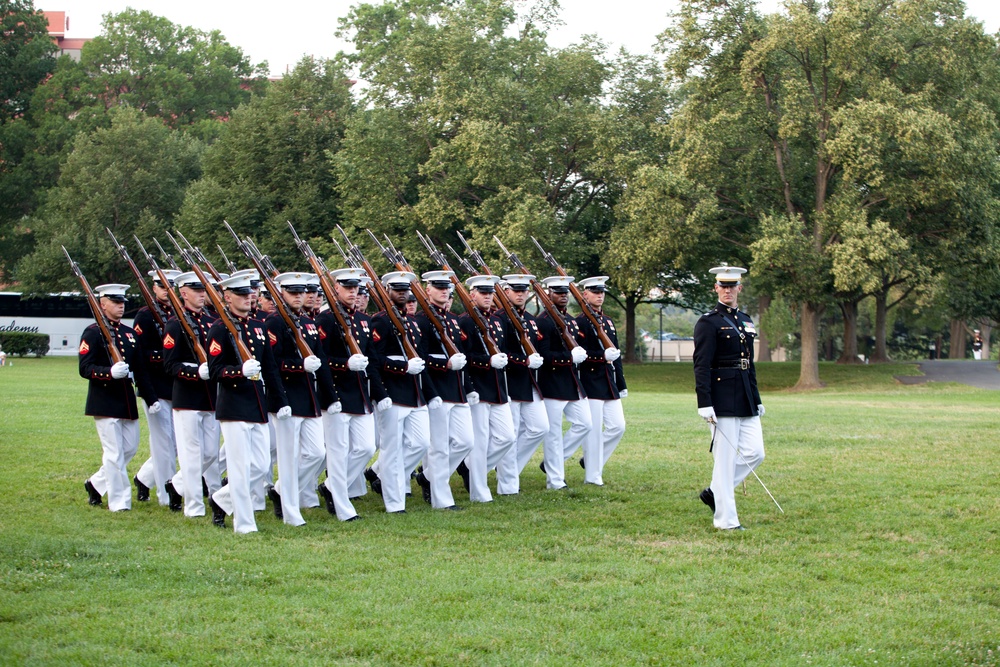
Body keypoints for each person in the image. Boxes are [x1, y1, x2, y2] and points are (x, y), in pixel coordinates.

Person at [207, 273, 291, 533]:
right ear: (227, 296)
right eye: (241, 295)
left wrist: (280, 400)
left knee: (260, 465)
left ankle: (221, 499)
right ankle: (244, 523)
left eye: (249, 294)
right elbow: (215, 369)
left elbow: (270, 368)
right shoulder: (219, 329)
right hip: (233, 405)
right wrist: (238, 371)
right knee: (240, 467)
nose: (247, 298)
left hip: (258, 403)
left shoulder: (258, 327)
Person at [692, 264, 765, 531]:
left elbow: (750, 362)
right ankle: (726, 521)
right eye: (723, 286)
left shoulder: (745, 319)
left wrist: (756, 398)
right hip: (722, 397)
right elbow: (701, 364)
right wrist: (704, 402)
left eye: (732, 286)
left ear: (739, 289)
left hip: (745, 394)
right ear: (716, 288)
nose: (727, 290)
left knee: (755, 452)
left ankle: (714, 491)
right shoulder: (708, 321)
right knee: (724, 461)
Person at [79, 284, 161, 511]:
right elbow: (85, 368)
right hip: (104, 400)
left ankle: (96, 484)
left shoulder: (129, 334)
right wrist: (108, 373)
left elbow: (141, 370)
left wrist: (151, 397)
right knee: (114, 453)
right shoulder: (93, 332)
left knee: (129, 449)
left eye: (122, 302)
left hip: (126, 401)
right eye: (115, 302)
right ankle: (120, 501)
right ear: (102, 304)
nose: (121, 306)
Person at [265, 272, 338, 527]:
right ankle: (290, 511)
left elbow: (321, 362)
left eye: (302, 292)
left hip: (309, 398)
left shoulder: (307, 323)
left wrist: (330, 396)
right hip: (286, 398)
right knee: (287, 456)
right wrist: (298, 367)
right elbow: (271, 364)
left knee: (317, 453)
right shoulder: (274, 323)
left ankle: (281, 491)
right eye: (293, 293)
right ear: (281, 293)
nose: (299, 297)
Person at [315, 268, 381, 522]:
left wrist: (378, 392)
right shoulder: (326, 320)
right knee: (338, 451)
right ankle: (343, 507)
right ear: (336, 290)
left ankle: (332, 485)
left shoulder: (363, 320)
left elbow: (371, 359)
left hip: (360, 394)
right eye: (348, 288)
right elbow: (321, 359)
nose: (353, 293)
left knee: (366, 448)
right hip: (337, 393)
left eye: (356, 288)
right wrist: (344, 365)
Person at [368, 271, 432, 513]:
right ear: (387, 291)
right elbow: (375, 359)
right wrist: (402, 367)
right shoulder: (381, 321)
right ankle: (394, 503)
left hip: (415, 394)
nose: (403, 293)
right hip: (393, 393)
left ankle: (383, 476)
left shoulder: (412, 321)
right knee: (391, 448)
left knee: (421, 442)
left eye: (406, 289)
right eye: (397, 289)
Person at [161, 271, 222, 518]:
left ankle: (177, 484)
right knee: (190, 451)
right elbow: (170, 364)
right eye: (195, 291)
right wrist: (195, 371)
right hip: (187, 396)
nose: (201, 295)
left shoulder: (211, 322)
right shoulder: (175, 324)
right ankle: (194, 505)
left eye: (202, 290)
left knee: (210, 453)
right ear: (183, 294)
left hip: (210, 397)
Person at [413, 271, 471, 510]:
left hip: (456, 389)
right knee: (439, 447)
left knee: (466, 441)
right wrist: (443, 364)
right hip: (437, 389)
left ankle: (428, 477)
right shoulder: (421, 320)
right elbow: (419, 357)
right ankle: (442, 500)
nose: (444, 291)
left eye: (446, 287)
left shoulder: (451, 319)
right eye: (438, 287)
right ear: (427, 290)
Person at [456, 275, 517, 501]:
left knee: (507, 437)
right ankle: (479, 491)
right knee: (480, 441)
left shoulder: (498, 321)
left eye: (490, 293)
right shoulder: (465, 321)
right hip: (478, 386)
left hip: (498, 387)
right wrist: (486, 361)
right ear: (472, 295)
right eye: (483, 293)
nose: (488, 297)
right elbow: (464, 356)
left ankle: (470, 468)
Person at [565, 276, 626, 486]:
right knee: (593, 432)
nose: (599, 295)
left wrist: (622, 383)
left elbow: (615, 353)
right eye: (594, 291)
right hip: (590, 380)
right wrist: (601, 357)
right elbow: (578, 353)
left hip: (609, 381)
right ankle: (593, 476)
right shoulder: (578, 322)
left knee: (618, 427)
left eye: (601, 292)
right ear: (585, 294)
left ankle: (591, 460)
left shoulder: (607, 321)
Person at [131, 269, 180, 507]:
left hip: (178, 385)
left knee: (177, 444)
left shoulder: (179, 314)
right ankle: (165, 492)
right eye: (162, 286)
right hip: (156, 386)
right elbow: (139, 355)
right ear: (153, 288)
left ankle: (144, 478)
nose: (166, 290)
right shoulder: (145, 316)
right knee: (163, 442)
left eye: (170, 285)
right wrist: (168, 356)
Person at [535, 276, 589, 490]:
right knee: (553, 435)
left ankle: (551, 463)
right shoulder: (543, 321)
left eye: (565, 293)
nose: (563, 296)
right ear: (549, 294)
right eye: (558, 293)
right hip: (552, 383)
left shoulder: (571, 320)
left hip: (572, 383)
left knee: (586, 424)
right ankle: (555, 480)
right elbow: (543, 354)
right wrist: (568, 358)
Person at [496, 275, 548, 481]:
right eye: (515, 290)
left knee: (540, 428)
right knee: (513, 433)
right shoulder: (500, 318)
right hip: (511, 381)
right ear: (506, 292)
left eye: (523, 291)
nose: (520, 294)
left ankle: (510, 470)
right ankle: (508, 484)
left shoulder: (531, 319)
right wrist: (524, 361)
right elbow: (501, 352)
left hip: (530, 382)